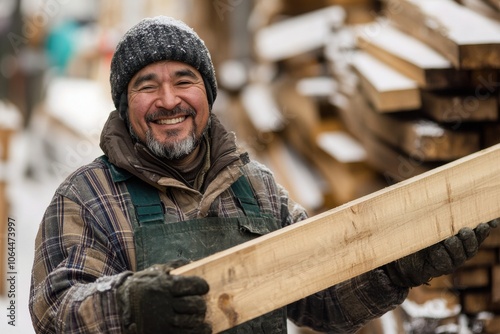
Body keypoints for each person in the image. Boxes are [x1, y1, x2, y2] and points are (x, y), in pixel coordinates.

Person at [29, 16, 497, 334]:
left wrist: (395, 269)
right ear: (123, 104)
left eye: (184, 80)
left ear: (207, 94)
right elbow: (53, 311)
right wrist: (129, 306)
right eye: (146, 85)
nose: (168, 100)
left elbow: (321, 298)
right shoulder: (85, 197)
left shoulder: (256, 188)